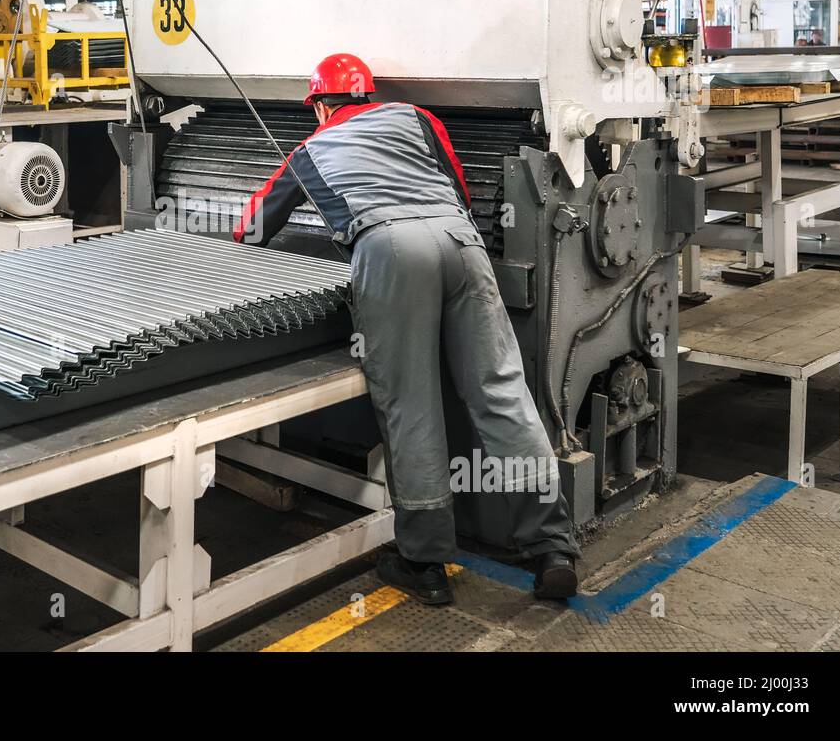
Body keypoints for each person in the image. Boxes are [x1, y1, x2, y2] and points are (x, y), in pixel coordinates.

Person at [233, 52, 581, 604]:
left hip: (391, 251)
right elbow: (459, 187)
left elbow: (252, 227)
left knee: (412, 405)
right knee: (503, 394)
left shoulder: (309, 150)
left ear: (321, 104)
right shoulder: (417, 117)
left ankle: (423, 562)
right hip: (461, 244)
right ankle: (552, 548)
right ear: (367, 95)